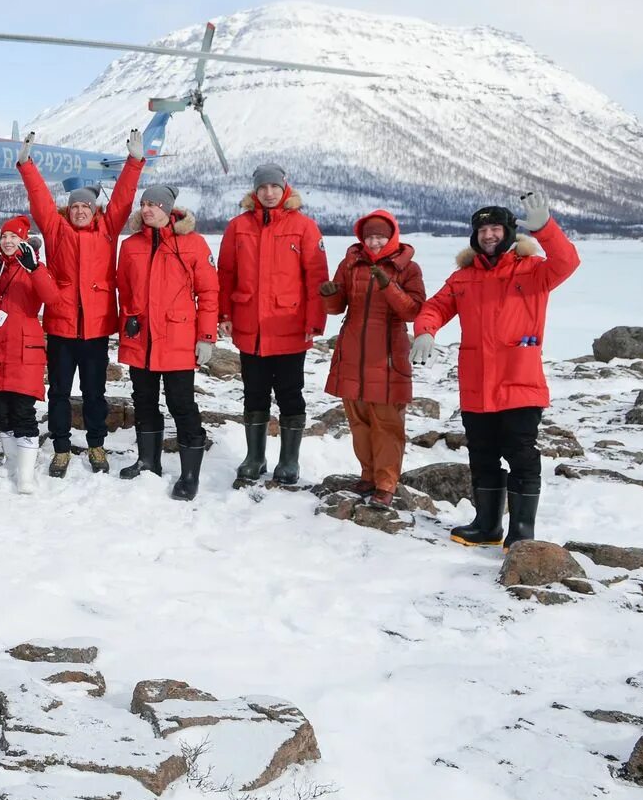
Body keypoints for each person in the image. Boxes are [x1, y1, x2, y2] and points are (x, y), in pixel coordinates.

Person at [411, 193, 580, 547]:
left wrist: (546, 229)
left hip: (519, 381)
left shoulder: (533, 270)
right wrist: (425, 331)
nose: (489, 235)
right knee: (482, 453)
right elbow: (435, 307)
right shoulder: (463, 277)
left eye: (495, 228)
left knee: (522, 455)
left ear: (509, 232)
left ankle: (521, 532)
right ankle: (487, 526)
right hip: (476, 384)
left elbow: (567, 262)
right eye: (483, 229)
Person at [17, 129, 145, 477]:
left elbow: (122, 199)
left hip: (97, 327)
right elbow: (40, 199)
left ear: (94, 209)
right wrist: (26, 165)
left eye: (84, 207)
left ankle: (96, 444)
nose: (78, 212)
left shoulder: (107, 230)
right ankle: (60, 446)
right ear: (67, 209)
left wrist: (134, 162)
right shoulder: (55, 231)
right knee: (59, 391)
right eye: (73, 206)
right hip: (60, 325)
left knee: (94, 391)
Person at [219, 162, 328, 488]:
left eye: (274, 188)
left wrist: (315, 321)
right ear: (255, 191)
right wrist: (223, 314)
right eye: (262, 187)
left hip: (290, 326)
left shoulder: (304, 227)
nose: (268, 193)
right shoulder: (237, 227)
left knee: (290, 394)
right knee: (254, 394)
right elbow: (225, 274)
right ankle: (255, 457)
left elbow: (317, 279)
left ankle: (289, 460)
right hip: (249, 327)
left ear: (284, 190)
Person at [114, 184, 219, 500]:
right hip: (140, 339)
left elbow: (209, 293)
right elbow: (123, 288)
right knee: (143, 400)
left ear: (169, 208)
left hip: (178, 338)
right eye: (144, 203)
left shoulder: (194, 243)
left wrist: (207, 337)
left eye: (154, 204)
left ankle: (189, 476)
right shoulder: (130, 245)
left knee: (182, 404)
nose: (147, 209)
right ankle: (148, 462)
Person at [320, 211, 426, 508]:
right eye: (369, 237)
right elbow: (336, 308)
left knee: (387, 424)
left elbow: (412, 311)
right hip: (353, 351)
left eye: (380, 236)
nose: (375, 242)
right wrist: (329, 295)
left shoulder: (408, 268)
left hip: (388, 354)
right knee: (359, 421)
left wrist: (387, 285)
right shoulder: (350, 263)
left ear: (392, 236)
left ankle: (386, 482)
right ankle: (368, 474)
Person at [0, 216, 57, 494]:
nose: (8, 241)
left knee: (23, 411)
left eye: (14, 237)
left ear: (23, 240)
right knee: (0, 411)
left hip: (24, 347)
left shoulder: (35, 266)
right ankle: (12, 461)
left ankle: (26, 475)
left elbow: (52, 299)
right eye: (4, 236)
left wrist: (35, 270)